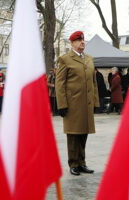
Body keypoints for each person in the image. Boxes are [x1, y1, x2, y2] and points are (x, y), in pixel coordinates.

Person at [55, 31, 99, 176]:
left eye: (83, 40)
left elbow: (94, 83)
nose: (82, 42)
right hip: (72, 104)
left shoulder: (89, 59)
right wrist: (61, 104)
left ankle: (82, 163)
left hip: (86, 104)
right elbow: (59, 83)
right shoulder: (65, 59)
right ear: (72, 43)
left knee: (83, 134)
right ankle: (73, 164)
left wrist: (95, 101)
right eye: (79, 40)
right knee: (73, 135)